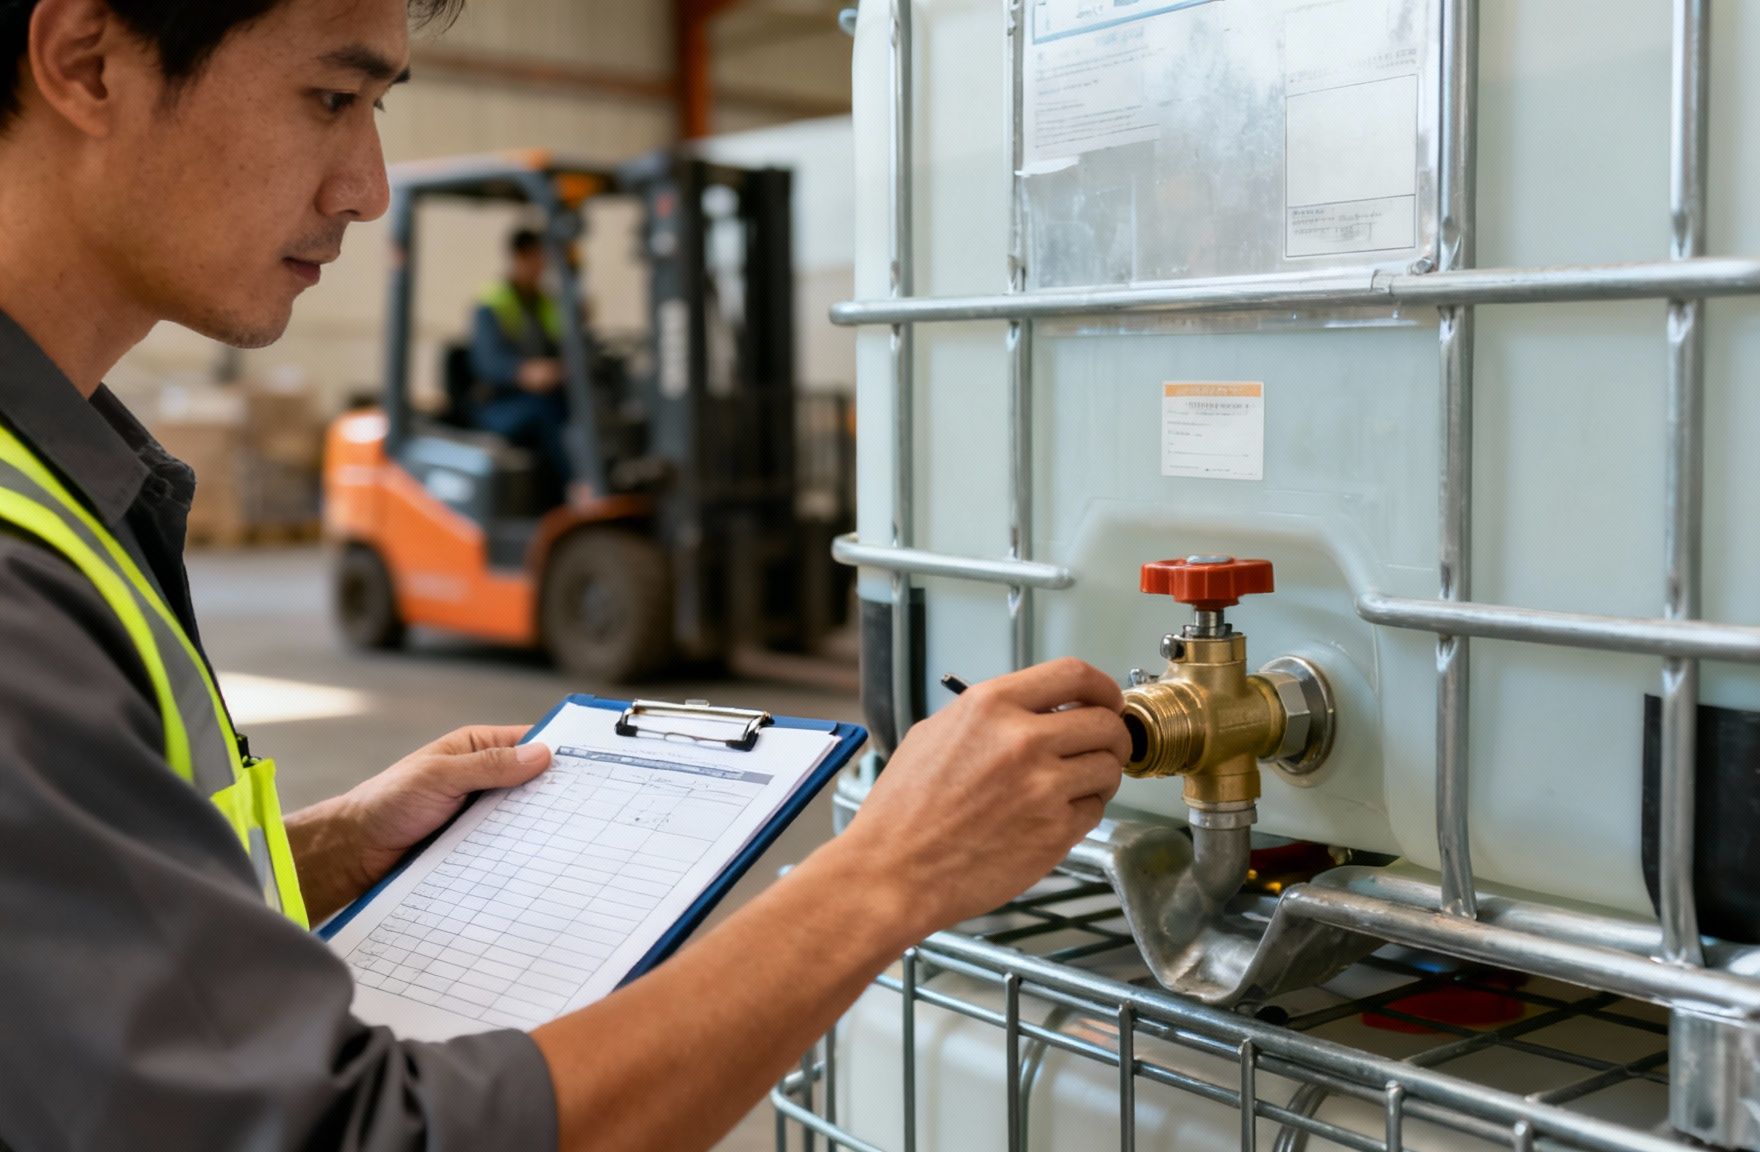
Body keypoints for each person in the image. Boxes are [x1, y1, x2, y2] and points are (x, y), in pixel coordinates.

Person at [0, 2, 1131, 1151]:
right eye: (330, 100)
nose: (366, 188)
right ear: (88, 63)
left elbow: (78, 929)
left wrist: (340, 843)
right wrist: (891, 871)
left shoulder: (62, 479)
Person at [469, 226, 571, 497]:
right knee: (547, 412)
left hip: (542, 396)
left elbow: (560, 345)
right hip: (499, 404)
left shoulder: (546, 303)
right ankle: (573, 488)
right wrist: (524, 372)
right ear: (519, 257)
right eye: (537, 258)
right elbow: (488, 363)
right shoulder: (492, 304)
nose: (543, 267)